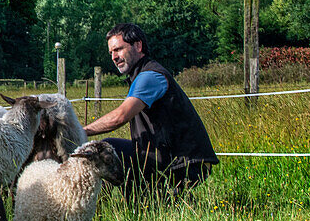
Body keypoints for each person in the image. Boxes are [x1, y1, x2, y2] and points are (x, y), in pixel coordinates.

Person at [82, 23, 218, 197]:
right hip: (168, 158)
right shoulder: (141, 74)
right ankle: (137, 202)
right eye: (111, 53)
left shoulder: (150, 76)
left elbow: (121, 116)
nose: (114, 57)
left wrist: (80, 130)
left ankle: (160, 198)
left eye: (118, 50)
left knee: (107, 151)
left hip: (183, 164)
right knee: (112, 152)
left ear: (138, 45)